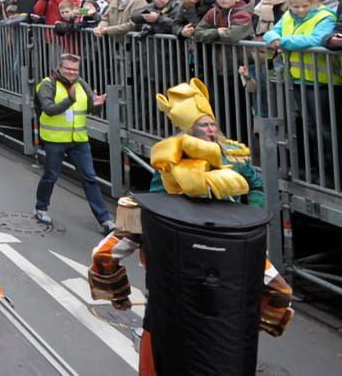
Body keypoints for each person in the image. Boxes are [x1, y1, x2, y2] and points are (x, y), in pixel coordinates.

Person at [89, 80, 292, 375]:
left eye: (211, 124)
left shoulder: (233, 156)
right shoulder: (169, 166)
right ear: (188, 131)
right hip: (180, 266)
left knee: (279, 291)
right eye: (202, 126)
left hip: (230, 249)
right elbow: (138, 225)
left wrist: (250, 217)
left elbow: (256, 185)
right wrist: (119, 293)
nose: (209, 130)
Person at [33, 53, 113, 233]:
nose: (71, 73)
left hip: (79, 139)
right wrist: (69, 99)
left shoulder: (81, 83)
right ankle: (41, 208)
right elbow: (49, 109)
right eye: (68, 69)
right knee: (51, 175)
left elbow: (90, 107)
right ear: (59, 68)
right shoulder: (46, 84)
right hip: (55, 140)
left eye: (75, 70)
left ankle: (105, 220)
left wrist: (98, 104)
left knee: (90, 178)